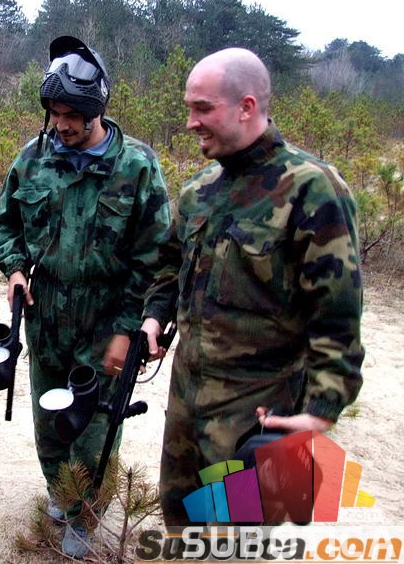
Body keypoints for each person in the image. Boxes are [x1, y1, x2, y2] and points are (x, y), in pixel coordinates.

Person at [140, 47, 364, 527]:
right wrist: (155, 316)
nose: (191, 123)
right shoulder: (200, 188)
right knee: (181, 526)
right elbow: (170, 264)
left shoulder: (311, 188)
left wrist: (322, 408)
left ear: (246, 106)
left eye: (203, 109)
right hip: (186, 402)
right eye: (189, 108)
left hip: (256, 409)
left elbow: (337, 311)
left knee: (236, 539)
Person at [0, 35, 172, 558]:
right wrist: (15, 269)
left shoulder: (136, 166)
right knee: (49, 417)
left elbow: (156, 256)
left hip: (107, 317)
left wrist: (129, 328)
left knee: (92, 427)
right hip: (44, 313)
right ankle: (60, 490)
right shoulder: (33, 158)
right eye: (54, 113)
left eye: (72, 115)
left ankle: (85, 513)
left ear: (97, 111)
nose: (61, 124)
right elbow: (6, 222)